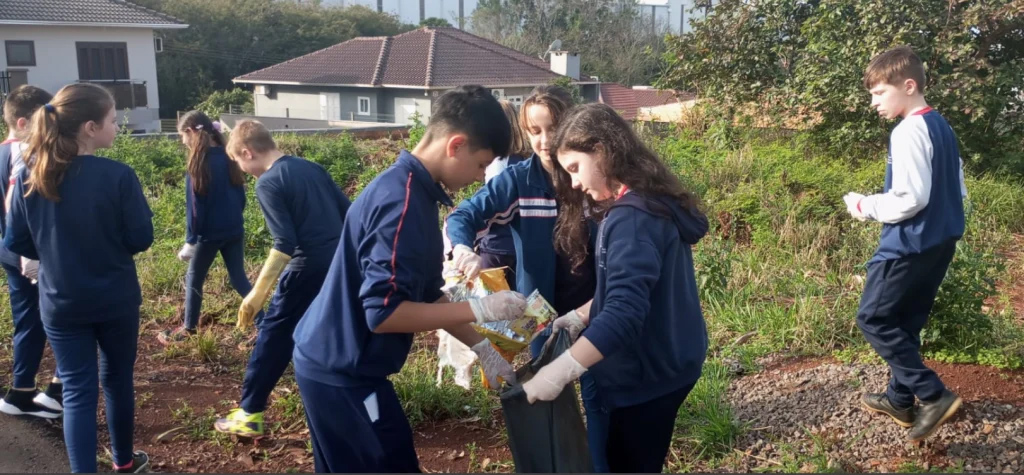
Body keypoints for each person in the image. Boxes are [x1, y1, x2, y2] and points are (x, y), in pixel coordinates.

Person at [292, 85, 527, 473]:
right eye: (481, 164)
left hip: (336, 363)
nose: (479, 177)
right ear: (456, 145)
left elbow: (425, 295)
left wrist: (483, 347)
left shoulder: (412, 192)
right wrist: (480, 306)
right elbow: (384, 314)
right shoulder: (400, 204)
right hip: (343, 372)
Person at [524, 103, 709, 473]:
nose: (574, 183)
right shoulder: (652, 201)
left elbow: (625, 314)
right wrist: (580, 314)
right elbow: (634, 289)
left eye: (575, 168)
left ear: (603, 151)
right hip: (673, 363)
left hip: (646, 378)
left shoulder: (632, 219)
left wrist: (559, 371)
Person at [444, 85, 607, 470]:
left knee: (601, 397)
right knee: (547, 398)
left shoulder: (592, 177)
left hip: (595, 309)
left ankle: (599, 464)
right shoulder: (519, 181)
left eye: (553, 127)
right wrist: (463, 249)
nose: (545, 140)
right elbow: (462, 216)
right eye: (534, 131)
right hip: (541, 318)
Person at [5, 83, 154, 473]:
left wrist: (57, 251)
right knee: (117, 381)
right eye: (111, 119)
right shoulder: (119, 175)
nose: (116, 126)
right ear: (90, 127)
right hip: (115, 298)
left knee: (77, 391)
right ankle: (123, 462)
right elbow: (141, 239)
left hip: (60, 301)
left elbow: (18, 240)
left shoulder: (30, 175)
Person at [843, 45, 967, 441]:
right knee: (905, 322)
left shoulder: (909, 130)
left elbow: (911, 198)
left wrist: (864, 204)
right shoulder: (941, 126)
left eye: (879, 93)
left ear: (908, 85)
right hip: (940, 242)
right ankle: (899, 399)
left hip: (907, 246)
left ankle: (933, 394)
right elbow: (958, 186)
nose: (874, 102)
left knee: (874, 319)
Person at [212, 120, 351, 437]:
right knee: (326, 335)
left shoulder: (268, 182)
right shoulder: (311, 168)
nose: (243, 171)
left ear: (247, 152)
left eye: (239, 163)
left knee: (274, 336)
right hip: (338, 264)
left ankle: (249, 413)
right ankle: (341, 410)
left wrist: (255, 296)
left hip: (306, 269)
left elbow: (284, 243)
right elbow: (350, 213)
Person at [159, 111, 258, 344]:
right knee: (239, 279)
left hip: (209, 234)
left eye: (182, 135)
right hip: (234, 229)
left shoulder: (199, 162)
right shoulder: (229, 156)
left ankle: (189, 329)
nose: (183, 142)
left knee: (194, 277)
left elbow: (195, 207)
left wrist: (191, 240)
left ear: (192, 131)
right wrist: (233, 218)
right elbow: (241, 195)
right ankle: (265, 323)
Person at [0, 85, 63, 419]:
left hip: (8, 250)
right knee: (62, 318)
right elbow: (19, 207)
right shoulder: (26, 154)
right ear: (24, 122)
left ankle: (21, 390)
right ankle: (58, 390)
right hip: (33, 253)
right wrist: (33, 256)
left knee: (27, 320)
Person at [475, 99, 532, 289]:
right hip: (522, 248)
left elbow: (492, 203)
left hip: (497, 246)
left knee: (494, 310)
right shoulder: (529, 161)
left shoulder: (499, 163)